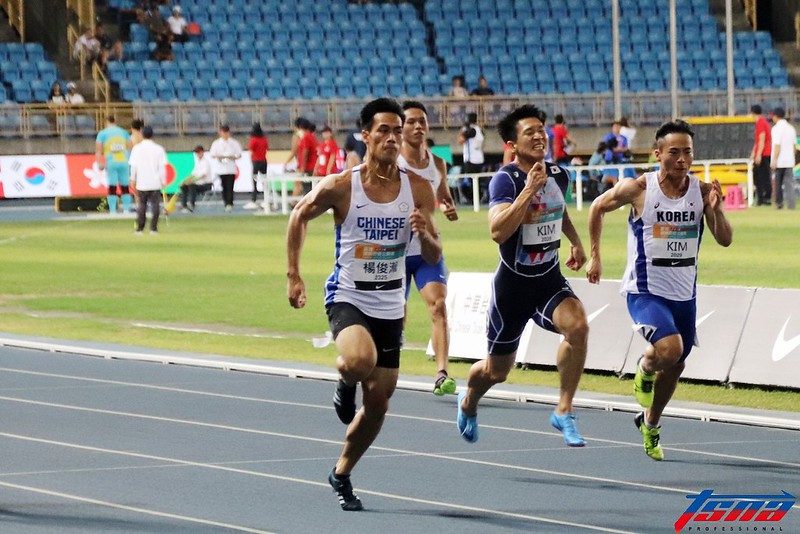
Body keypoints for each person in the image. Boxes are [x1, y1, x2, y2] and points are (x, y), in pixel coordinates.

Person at [286, 98, 441, 511]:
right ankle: (344, 380)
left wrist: (425, 234)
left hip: (391, 303)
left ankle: (341, 472)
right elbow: (298, 215)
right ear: (366, 135)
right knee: (358, 360)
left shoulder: (419, 188)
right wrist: (294, 274)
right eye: (384, 130)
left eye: (398, 130)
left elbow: (431, 254)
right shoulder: (342, 185)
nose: (392, 137)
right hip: (349, 295)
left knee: (379, 405)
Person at [585, 119, 733, 461]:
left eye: (688, 152)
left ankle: (650, 423)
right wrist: (595, 256)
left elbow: (724, 239)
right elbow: (597, 207)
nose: (682, 159)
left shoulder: (701, 192)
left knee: (677, 364)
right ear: (658, 154)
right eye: (674, 152)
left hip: (685, 294)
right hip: (645, 290)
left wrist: (717, 208)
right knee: (668, 348)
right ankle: (644, 367)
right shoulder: (638, 188)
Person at [456, 104, 590, 447]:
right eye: (529, 132)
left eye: (540, 129)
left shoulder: (559, 174)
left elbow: (556, 211)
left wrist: (575, 242)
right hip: (512, 288)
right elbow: (498, 231)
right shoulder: (506, 179)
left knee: (578, 326)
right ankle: (469, 400)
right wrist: (528, 191)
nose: (538, 136)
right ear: (512, 144)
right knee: (496, 372)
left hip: (547, 278)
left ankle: (564, 410)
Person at [397, 100, 459, 395]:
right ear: (400, 127)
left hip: (427, 248)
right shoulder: (392, 162)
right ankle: (389, 366)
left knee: (438, 305)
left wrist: (448, 206)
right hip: (394, 250)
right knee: (397, 313)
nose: (418, 126)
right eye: (411, 121)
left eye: (422, 121)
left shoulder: (437, 164)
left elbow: (443, 194)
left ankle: (442, 373)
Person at [129, 126, 168, 234]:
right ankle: (153, 228)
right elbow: (162, 167)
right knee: (155, 206)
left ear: (142, 134)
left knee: (142, 206)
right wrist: (163, 180)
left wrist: (132, 179)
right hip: (155, 182)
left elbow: (133, 166)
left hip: (142, 182)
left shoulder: (137, 148)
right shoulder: (159, 149)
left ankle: (139, 228)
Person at [95, 115, 133, 214]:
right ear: (115, 122)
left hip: (111, 162)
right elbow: (130, 147)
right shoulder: (124, 132)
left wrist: (99, 163)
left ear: (106, 122)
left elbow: (98, 150)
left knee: (112, 186)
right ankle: (126, 209)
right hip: (124, 162)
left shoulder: (102, 133)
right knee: (125, 186)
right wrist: (128, 158)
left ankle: (112, 210)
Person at [209, 124, 242, 211]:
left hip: (231, 168)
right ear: (220, 133)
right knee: (224, 186)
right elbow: (212, 154)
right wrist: (220, 156)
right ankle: (226, 202)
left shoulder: (234, 143)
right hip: (221, 168)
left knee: (230, 186)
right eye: (223, 132)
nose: (225, 134)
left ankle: (230, 203)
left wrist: (232, 157)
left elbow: (239, 154)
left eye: (226, 132)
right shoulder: (216, 143)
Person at [770, 107, 797, 210]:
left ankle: (779, 203)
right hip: (789, 160)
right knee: (789, 184)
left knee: (778, 184)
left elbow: (777, 145)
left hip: (779, 161)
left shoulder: (776, 129)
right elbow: (794, 147)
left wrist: (774, 160)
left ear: (776, 116)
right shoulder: (791, 128)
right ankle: (791, 204)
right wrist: (792, 157)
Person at [457, 112, 486, 202]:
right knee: (478, 182)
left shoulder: (471, 130)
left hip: (471, 159)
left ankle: (473, 199)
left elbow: (460, 141)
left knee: (470, 181)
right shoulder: (480, 130)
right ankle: (478, 198)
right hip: (479, 158)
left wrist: (461, 130)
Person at [749, 105, 772, 206]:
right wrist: (753, 153)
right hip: (763, 153)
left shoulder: (761, 123)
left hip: (764, 154)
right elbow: (757, 142)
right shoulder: (762, 122)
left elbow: (762, 140)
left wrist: (758, 155)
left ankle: (764, 199)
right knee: (760, 176)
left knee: (761, 177)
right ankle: (763, 198)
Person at [245, 122, 268, 210]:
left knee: (254, 181)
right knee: (264, 181)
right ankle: (266, 198)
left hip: (256, 161)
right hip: (264, 161)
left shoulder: (253, 139)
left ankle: (254, 199)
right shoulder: (264, 139)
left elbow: (250, 151)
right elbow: (266, 148)